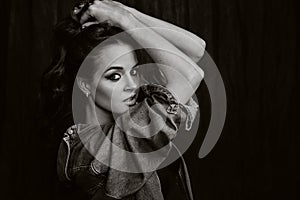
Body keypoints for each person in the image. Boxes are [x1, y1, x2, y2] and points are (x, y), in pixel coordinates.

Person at [40, 0, 205, 199]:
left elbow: (195, 50)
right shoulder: (90, 150)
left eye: (134, 71)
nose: (132, 85)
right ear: (85, 85)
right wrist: (124, 19)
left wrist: (125, 13)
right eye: (114, 76)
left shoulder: (134, 113)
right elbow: (190, 75)